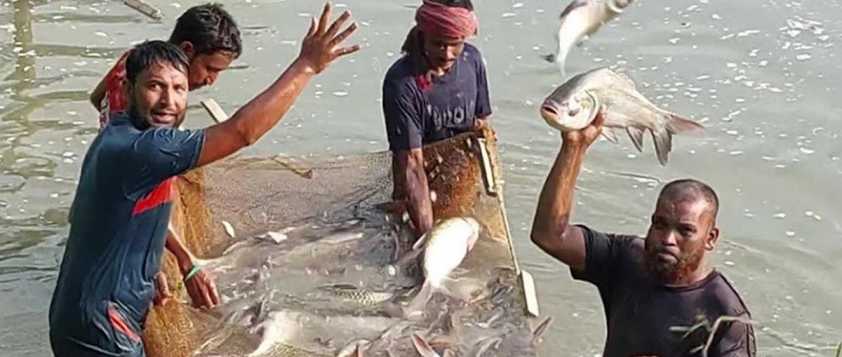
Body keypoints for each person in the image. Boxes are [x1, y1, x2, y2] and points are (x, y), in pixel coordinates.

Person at [48, 4, 359, 356]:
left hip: (92, 311)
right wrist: (306, 66)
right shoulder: (144, 147)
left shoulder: (120, 128)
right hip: (102, 326)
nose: (169, 99)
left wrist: (152, 263)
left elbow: (125, 203)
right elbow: (241, 132)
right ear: (132, 85)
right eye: (155, 86)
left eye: (179, 89)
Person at [529, 111, 757, 357]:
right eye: (659, 224)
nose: (668, 239)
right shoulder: (626, 258)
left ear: (710, 238)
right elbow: (549, 235)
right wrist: (574, 146)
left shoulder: (726, 316)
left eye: (685, 231)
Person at [87, 3, 244, 311]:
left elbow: (97, 97)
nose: (212, 80)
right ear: (187, 50)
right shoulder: (142, 131)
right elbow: (140, 201)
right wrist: (182, 260)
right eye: (210, 69)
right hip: (126, 223)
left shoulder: (134, 61)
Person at [381, 0, 492, 237]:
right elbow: (411, 163)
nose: (448, 53)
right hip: (418, 193)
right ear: (423, 36)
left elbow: (482, 121)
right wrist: (427, 235)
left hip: (461, 184)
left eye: (456, 44)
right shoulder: (402, 84)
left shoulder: (473, 61)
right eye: (439, 44)